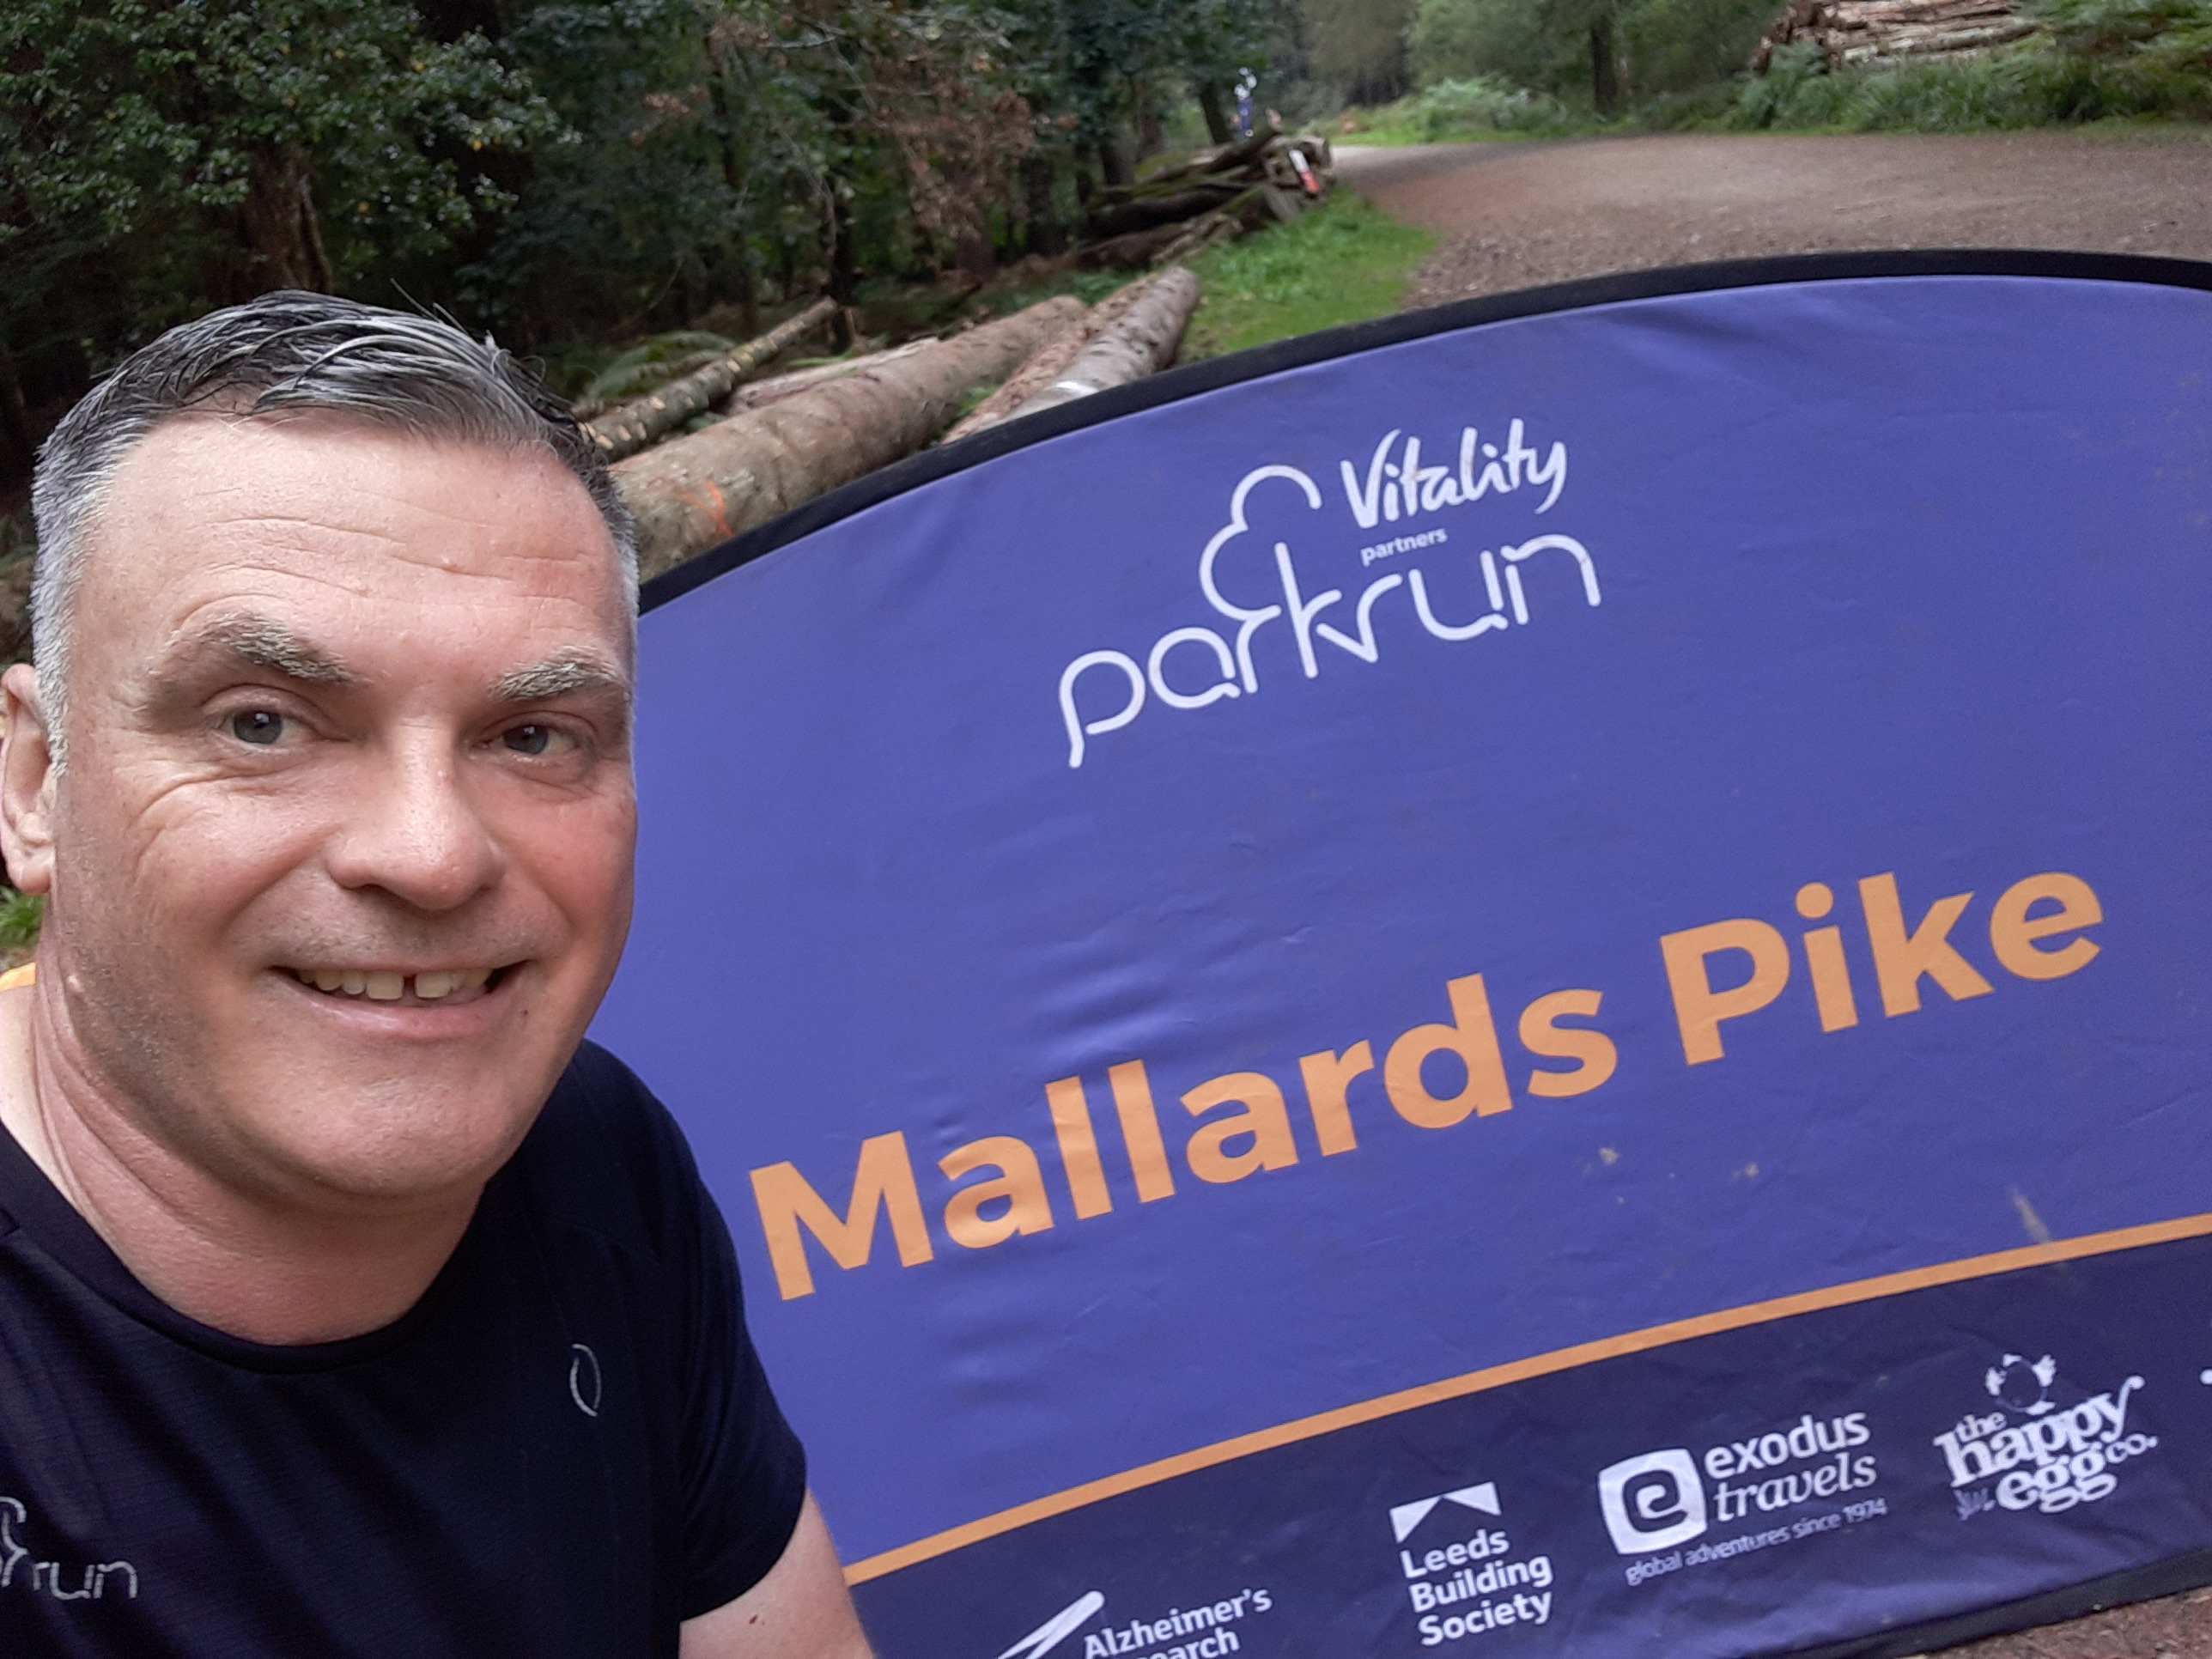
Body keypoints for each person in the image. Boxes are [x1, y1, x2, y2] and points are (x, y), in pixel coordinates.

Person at [0, 293, 875, 1657]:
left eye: (533, 736)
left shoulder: (593, 1156)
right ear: (37, 782)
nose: (431, 854)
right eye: (263, 722)